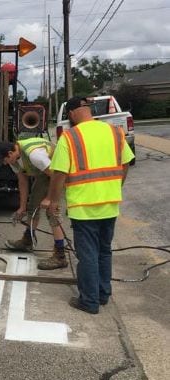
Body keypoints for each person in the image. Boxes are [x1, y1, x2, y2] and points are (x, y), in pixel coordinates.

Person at [41, 96, 135, 314]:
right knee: (104, 251)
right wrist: (115, 186)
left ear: (72, 114)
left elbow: (59, 174)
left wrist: (53, 201)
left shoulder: (70, 137)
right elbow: (125, 163)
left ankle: (89, 301)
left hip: (84, 207)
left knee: (88, 255)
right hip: (110, 204)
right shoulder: (114, 132)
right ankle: (103, 294)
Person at [0, 138, 67, 270]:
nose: (4, 163)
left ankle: (60, 255)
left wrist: (50, 198)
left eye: (4, 160)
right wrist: (22, 207)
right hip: (45, 173)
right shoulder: (14, 160)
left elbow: (55, 176)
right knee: (32, 207)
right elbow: (23, 182)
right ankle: (28, 240)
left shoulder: (35, 155)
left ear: (10, 153)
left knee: (52, 211)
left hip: (58, 173)